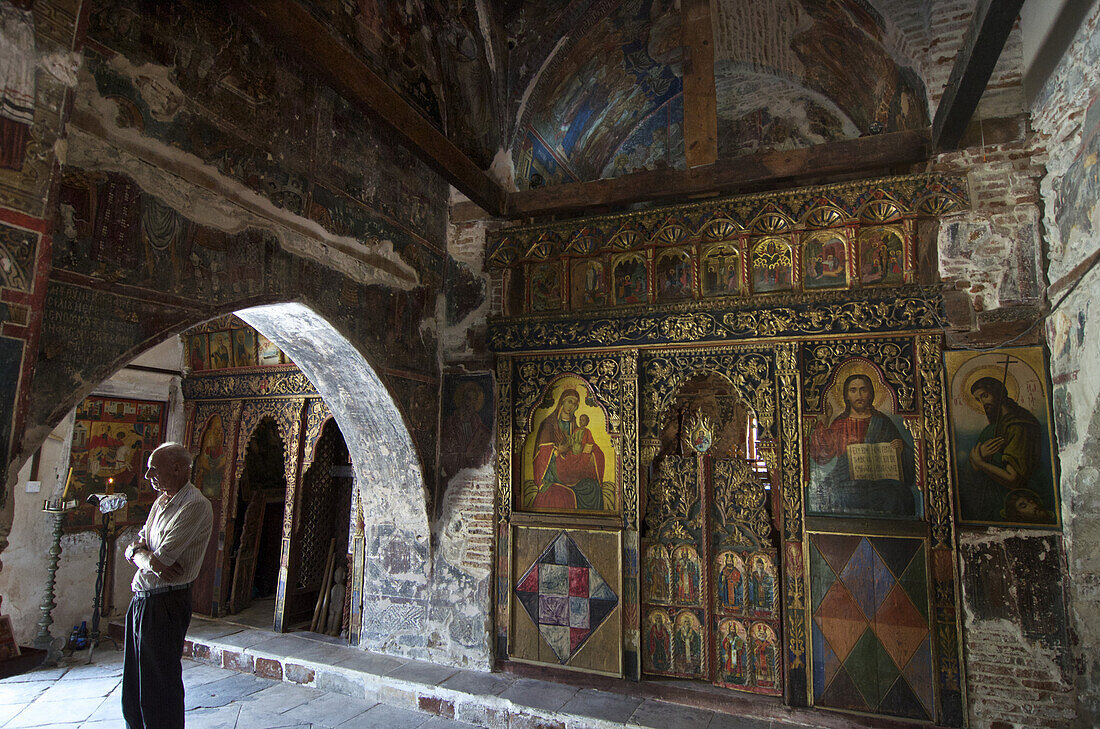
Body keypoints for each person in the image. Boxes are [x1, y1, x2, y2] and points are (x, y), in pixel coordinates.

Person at [122, 442, 213, 729]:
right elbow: (138, 545)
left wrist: (144, 555)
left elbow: (162, 562)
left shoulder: (195, 505)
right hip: (142, 597)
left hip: (166, 603)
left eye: (153, 470)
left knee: (159, 684)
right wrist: (140, 553)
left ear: (177, 468)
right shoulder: (161, 502)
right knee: (135, 681)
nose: (149, 477)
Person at [808, 373, 917, 517]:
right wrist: (825, 422)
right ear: (846, 395)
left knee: (901, 495)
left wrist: (901, 449)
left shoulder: (882, 422)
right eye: (853, 390)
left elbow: (908, 461)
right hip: (848, 484)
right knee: (833, 495)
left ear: (870, 393)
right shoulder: (840, 423)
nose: (859, 395)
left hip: (880, 485)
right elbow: (822, 456)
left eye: (863, 390)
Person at [964, 376, 1048, 522]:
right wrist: (974, 462)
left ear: (998, 393)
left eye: (985, 395)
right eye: (979, 399)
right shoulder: (993, 429)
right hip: (995, 504)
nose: (983, 403)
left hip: (1022, 503)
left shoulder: (1018, 425)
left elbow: (1013, 479)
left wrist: (980, 462)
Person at [530, 389, 605, 510]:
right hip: (553, 472)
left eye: (575, 404)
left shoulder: (575, 425)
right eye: (570, 402)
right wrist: (557, 451)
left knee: (592, 487)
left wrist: (589, 452)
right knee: (563, 494)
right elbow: (541, 456)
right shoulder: (548, 424)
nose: (572, 406)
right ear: (562, 401)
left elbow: (586, 444)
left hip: (571, 468)